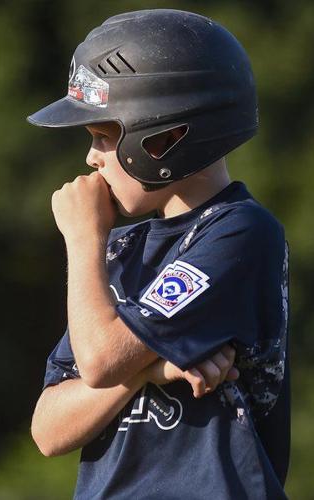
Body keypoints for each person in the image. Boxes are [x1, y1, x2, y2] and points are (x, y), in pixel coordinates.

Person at [28, 9, 290, 500]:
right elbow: (48, 430)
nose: (92, 158)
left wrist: (83, 239)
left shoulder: (240, 234)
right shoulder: (123, 249)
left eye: (105, 136)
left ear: (167, 137)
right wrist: (147, 371)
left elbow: (102, 361)